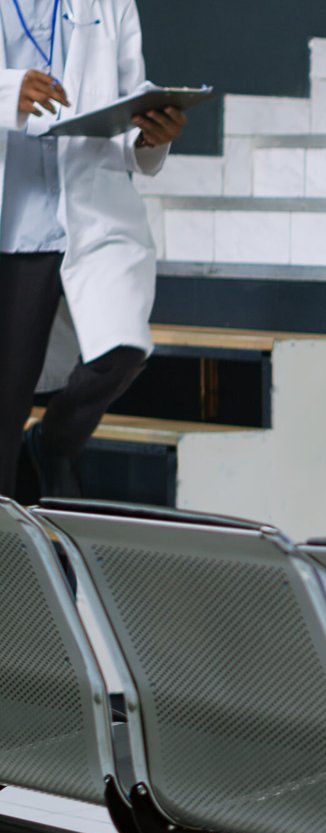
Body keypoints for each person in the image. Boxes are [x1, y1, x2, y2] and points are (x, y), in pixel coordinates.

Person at [0, 0, 184, 501]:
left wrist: (149, 136)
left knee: (121, 350)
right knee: (5, 408)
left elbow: (124, 109)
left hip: (89, 212)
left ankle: (51, 445)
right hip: (12, 225)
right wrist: (6, 91)